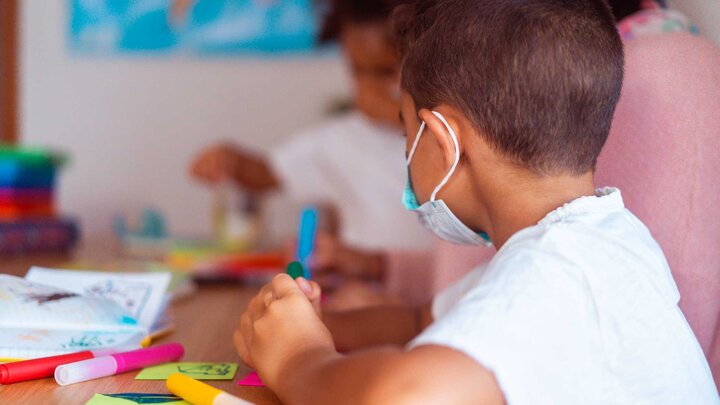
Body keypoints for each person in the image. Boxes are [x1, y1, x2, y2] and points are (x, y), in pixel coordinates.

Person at [232, 0, 719, 403]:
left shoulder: (559, 273)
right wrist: (310, 329)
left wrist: (300, 362)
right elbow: (419, 320)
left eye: (408, 132)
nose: (405, 153)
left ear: (444, 141)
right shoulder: (597, 243)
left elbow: (403, 396)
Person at [190, 0, 432, 281]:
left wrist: (403, 116)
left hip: (434, 300)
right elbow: (268, 173)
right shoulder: (340, 140)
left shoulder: (443, 144)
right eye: (356, 70)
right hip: (362, 298)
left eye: (384, 72)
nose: (365, 88)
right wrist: (232, 160)